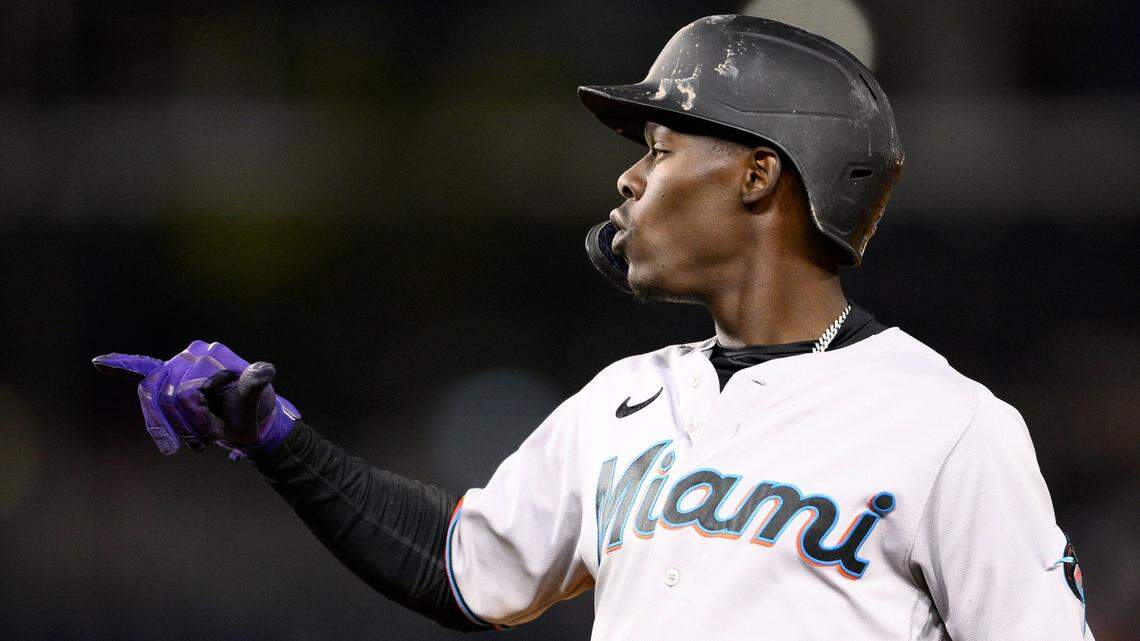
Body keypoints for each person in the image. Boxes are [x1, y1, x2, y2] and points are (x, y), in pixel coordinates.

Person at [92, 15, 1092, 640]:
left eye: (660, 145)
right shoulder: (623, 401)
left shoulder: (950, 425)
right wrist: (278, 438)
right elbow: (461, 566)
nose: (629, 177)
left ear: (757, 175)